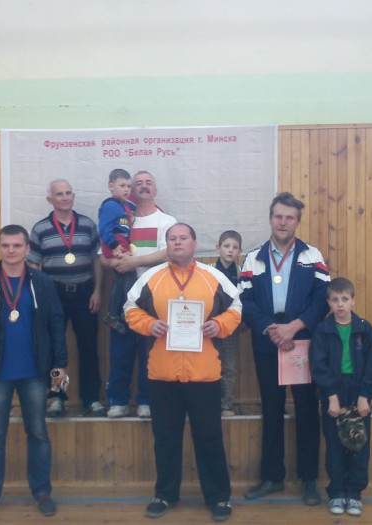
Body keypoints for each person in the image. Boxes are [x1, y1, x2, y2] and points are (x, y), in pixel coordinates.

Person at [125, 223, 242, 522]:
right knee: (165, 439)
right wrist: (149, 324)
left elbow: (237, 308)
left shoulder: (213, 276)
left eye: (183, 238)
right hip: (162, 375)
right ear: (167, 244)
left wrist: (220, 325)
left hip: (204, 375)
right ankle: (164, 494)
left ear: (194, 243)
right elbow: (129, 309)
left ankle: (219, 497)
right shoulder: (151, 277)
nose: (177, 242)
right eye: (172, 238)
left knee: (209, 438)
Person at [0, 224, 69, 520]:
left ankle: (42, 492)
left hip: (35, 372)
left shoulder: (42, 283)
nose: (11, 250)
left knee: (38, 433)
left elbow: (56, 324)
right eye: (5, 245)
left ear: (27, 248)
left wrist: (60, 363)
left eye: (17, 245)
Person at [239, 192, 330, 505]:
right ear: (270, 219)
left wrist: (295, 326)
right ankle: (272, 477)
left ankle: (308, 480)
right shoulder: (253, 257)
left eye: (289, 217)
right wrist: (271, 329)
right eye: (278, 216)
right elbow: (245, 301)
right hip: (268, 340)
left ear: (297, 222)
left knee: (307, 409)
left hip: (303, 341)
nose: (283, 222)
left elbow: (322, 298)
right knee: (272, 408)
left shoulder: (312, 255)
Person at [28, 179, 106, 417]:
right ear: (49, 199)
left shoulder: (87, 225)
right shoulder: (40, 228)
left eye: (68, 193)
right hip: (53, 295)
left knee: (88, 348)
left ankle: (91, 399)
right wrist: (40, 297)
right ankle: (56, 398)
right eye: (59, 194)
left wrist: (97, 291)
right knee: (54, 349)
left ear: (73, 196)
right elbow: (33, 264)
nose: (64, 197)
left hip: (85, 294)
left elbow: (96, 260)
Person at [102, 170, 176, 418]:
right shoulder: (121, 217)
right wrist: (116, 263)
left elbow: (169, 253)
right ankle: (118, 401)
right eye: (138, 183)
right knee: (120, 349)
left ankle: (146, 400)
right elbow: (103, 257)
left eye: (148, 183)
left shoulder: (167, 220)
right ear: (130, 190)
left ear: (155, 190)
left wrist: (134, 262)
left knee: (150, 350)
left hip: (155, 293)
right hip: (123, 294)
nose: (143, 186)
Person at [309, 277, 372, 516]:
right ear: (329, 302)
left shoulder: (364, 329)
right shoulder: (322, 330)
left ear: (353, 300)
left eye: (344, 299)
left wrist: (365, 395)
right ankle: (337, 492)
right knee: (334, 446)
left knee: (359, 444)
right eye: (335, 300)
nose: (340, 304)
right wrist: (331, 396)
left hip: (358, 391)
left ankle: (354, 493)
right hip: (333, 391)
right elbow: (318, 366)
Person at [98, 168, 137, 334]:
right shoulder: (110, 205)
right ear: (111, 186)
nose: (126, 189)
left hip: (122, 245)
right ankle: (125, 310)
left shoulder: (125, 206)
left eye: (129, 186)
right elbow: (103, 229)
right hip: (114, 246)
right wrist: (114, 246)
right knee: (130, 274)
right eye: (122, 185)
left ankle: (114, 314)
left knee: (121, 279)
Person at [212, 230, 243, 417]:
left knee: (229, 366)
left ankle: (226, 404)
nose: (230, 250)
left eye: (235, 247)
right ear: (218, 248)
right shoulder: (209, 271)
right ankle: (211, 402)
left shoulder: (242, 274)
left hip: (232, 327)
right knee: (211, 365)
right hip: (211, 326)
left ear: (240, 251)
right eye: (226, 246)